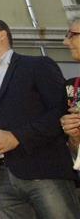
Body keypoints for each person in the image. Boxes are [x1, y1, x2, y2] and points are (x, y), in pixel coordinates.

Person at [0, 17, 80, 218]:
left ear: (2, 35)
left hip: (43, 170)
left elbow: (59, 110)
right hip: (1, 179)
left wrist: (17, 137)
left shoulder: (37, 66)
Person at [60, 18, 80, 172]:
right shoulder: (72, 87)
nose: (65, 42)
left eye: (71, 35)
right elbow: (76, 153)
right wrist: (74, 135)